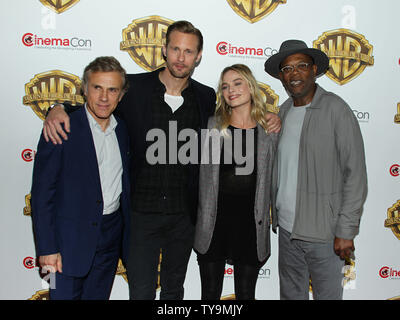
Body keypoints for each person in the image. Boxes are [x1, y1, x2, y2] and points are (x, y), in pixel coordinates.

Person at [42, 21, 281, 300]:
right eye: (176, 49)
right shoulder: (135, 89)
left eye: (189, 51)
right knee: (141, 292)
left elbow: (242, 119)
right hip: (140, 216)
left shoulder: (205, 98)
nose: (181, 57)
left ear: (199, 56)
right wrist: (57, 108)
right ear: (164, 50)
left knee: (173, 291)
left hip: (184, 217)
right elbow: (100, 102)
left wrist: (270, 117)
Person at [264, 39, 368, 300]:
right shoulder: (283, 112)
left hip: (325, 234)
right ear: (281, 76)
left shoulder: (336, 110)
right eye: (287, 69)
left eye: (301, 66)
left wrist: (346, 230)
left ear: (314, 70)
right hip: (287, 232)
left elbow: (355, 175)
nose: (294, 74)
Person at [31, 56, 131, 300]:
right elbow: (42, 194)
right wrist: (47, 249)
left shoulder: (124, 130)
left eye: (112, 89)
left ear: (121, 94)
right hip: (65, 245)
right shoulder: (61, 127)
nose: (104, 97)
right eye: (97, 88)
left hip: (109, 241)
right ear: (85, 89)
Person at [194, 64, 278, 300]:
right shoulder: (212, 125)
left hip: (251, 224)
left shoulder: (269, 129)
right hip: (214, 223)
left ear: (251, 87)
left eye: (237, 83)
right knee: (209, 295)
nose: (231, 90)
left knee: (245, 294)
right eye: (225, 86)